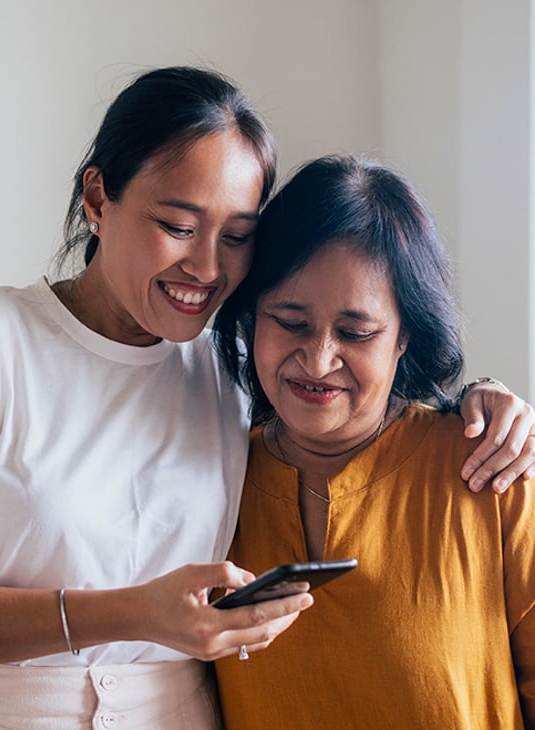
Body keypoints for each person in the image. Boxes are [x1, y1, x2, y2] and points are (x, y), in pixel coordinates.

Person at [0, 67, 531, 729]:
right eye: (179, 225)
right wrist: (129, 613)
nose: (209, 269)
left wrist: (485, 397)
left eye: (236, 237)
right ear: (97, 197)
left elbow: (350, 387)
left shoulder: (229, 369)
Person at [213, 154, 535, 728]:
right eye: (290, 321)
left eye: (355, 333)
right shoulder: (210, 478)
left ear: (405, 336)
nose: (318, 359)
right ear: (251, 317)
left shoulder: (492, 473)